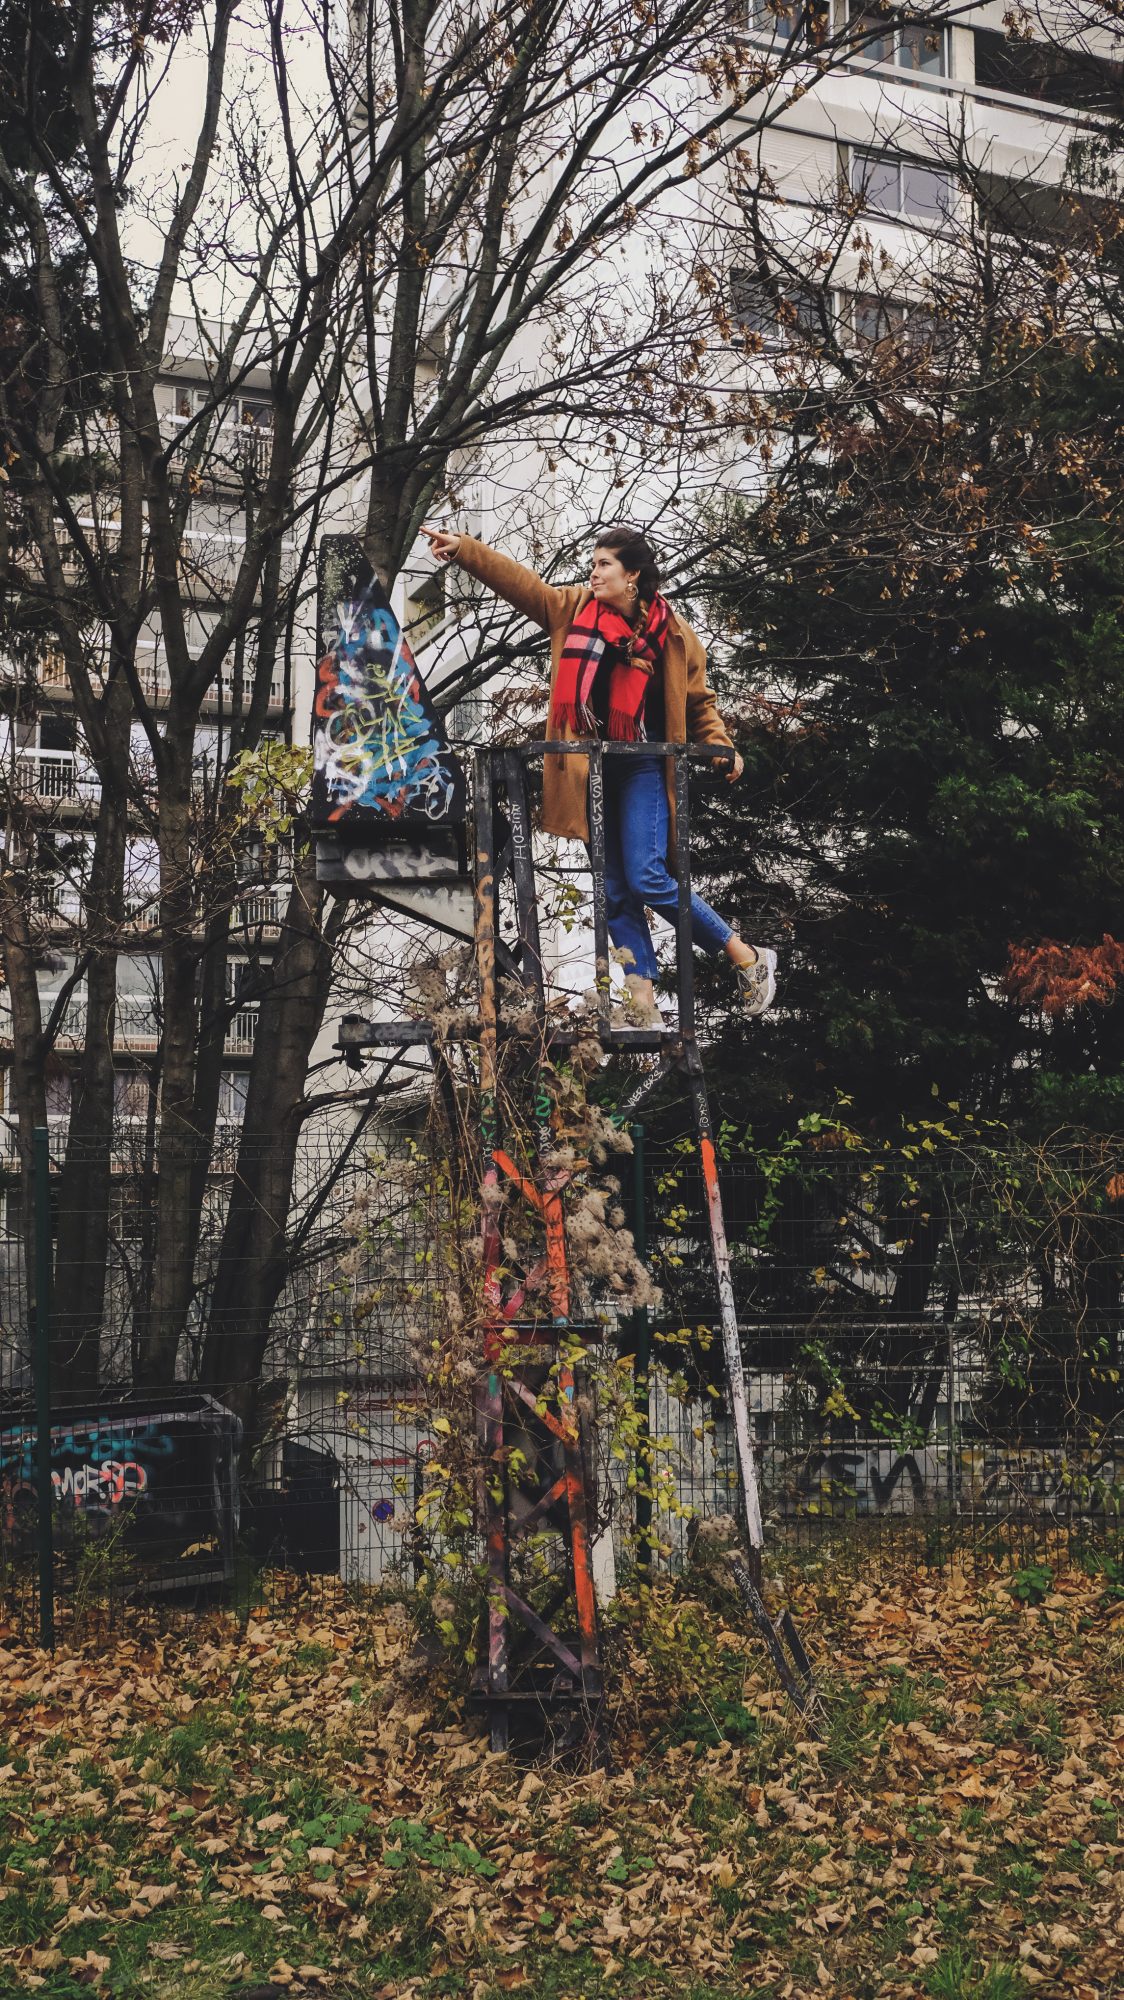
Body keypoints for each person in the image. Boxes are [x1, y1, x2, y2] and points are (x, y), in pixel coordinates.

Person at [419, 521, 777, 1020]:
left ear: (633, 576)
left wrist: (719, 744)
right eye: (591, 564)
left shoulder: (673, 635)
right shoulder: (573, 611)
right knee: (612, 888)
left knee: (648, 877)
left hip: (644, 765)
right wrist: (465, 551)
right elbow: (521, 583)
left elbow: (698, 703)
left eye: (603, 564)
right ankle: (642, 1002)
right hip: (589, 772)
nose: (593, 573)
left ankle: (747, 956)